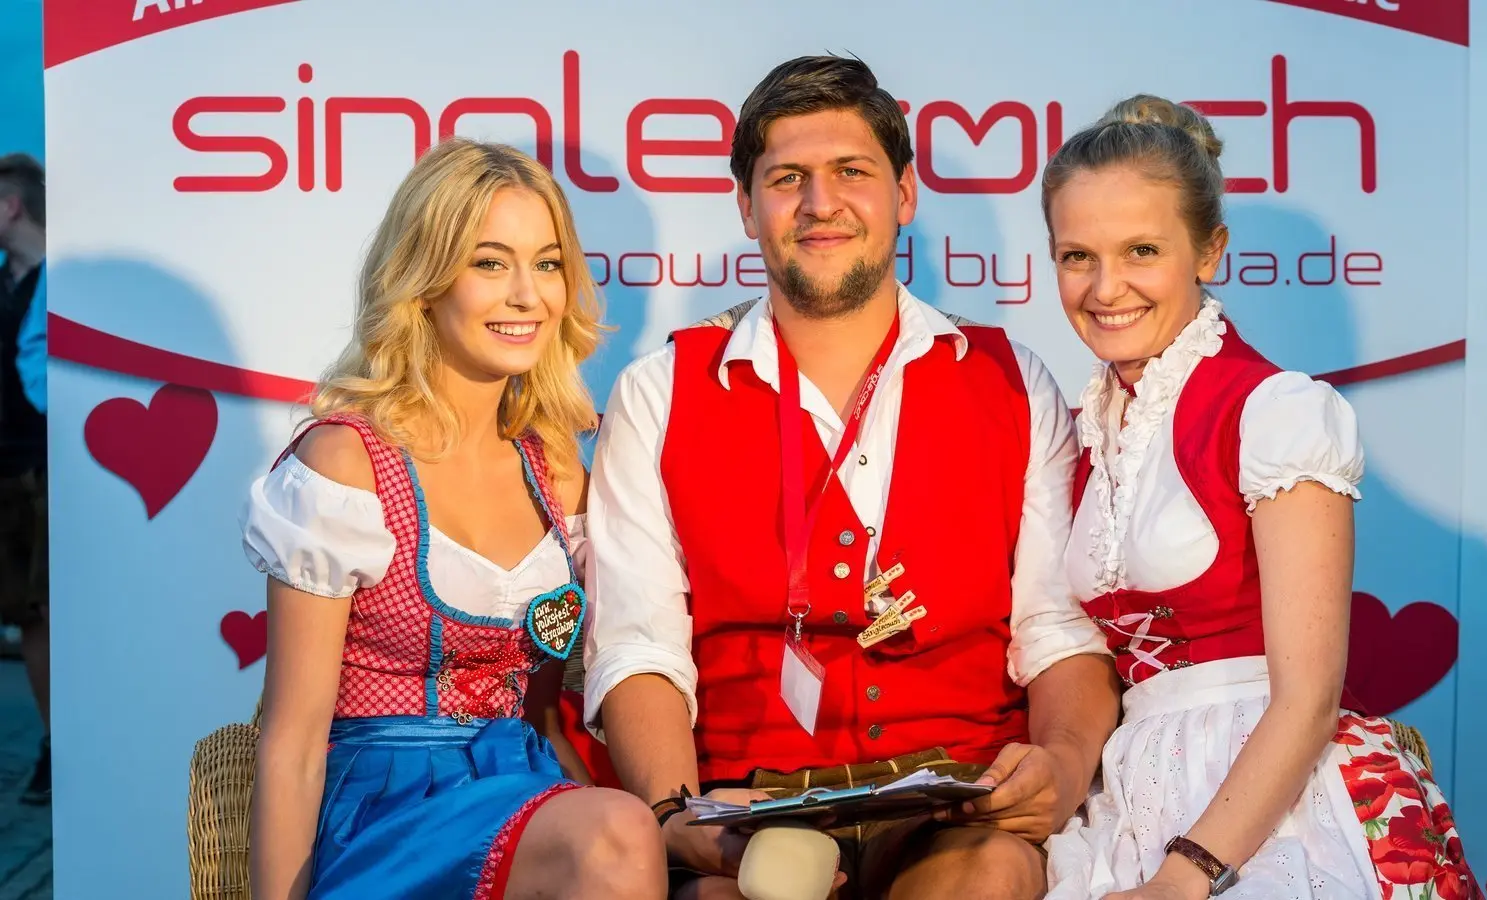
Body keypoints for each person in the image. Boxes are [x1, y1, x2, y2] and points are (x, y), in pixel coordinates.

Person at [584, 55, 1121, 900]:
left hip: (960, 804)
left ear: (904, 194)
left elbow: (1057, 627)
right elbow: (638, 644)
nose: (819, 202)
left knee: (986, 878)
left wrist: (1060, 762)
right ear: (746, 206)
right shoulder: (658, 393)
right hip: (750, 809)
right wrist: (675, 814)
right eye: (787, 178)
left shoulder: (1013, 382)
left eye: (851, 172)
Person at [1037, 96, 1480, 900]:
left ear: (1209, 251)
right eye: (1077, 256)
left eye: (1142, 251)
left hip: (1279, 799)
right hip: (1133, 792)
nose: (1105, 287)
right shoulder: (1081, 434)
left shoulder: (1276, 411)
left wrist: (1187, 875)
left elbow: (1307, 700)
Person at [240, 138, 666, 900]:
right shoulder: (347, 464)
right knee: (617, 832)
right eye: (490, 263)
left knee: (632, 836)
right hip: (383, 811)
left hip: (526, 794)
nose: (527, 296)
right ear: (425, 283)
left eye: (547, 264)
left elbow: (543, 719)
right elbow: (292, 743)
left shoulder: (557, 471)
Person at [0, 152, 49, 806]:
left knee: (53, 608)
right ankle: (52, 739)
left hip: (57, 470)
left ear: (11, 206)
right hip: (7, 473)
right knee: (26, 615)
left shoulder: (65, 285)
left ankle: (69, 741)